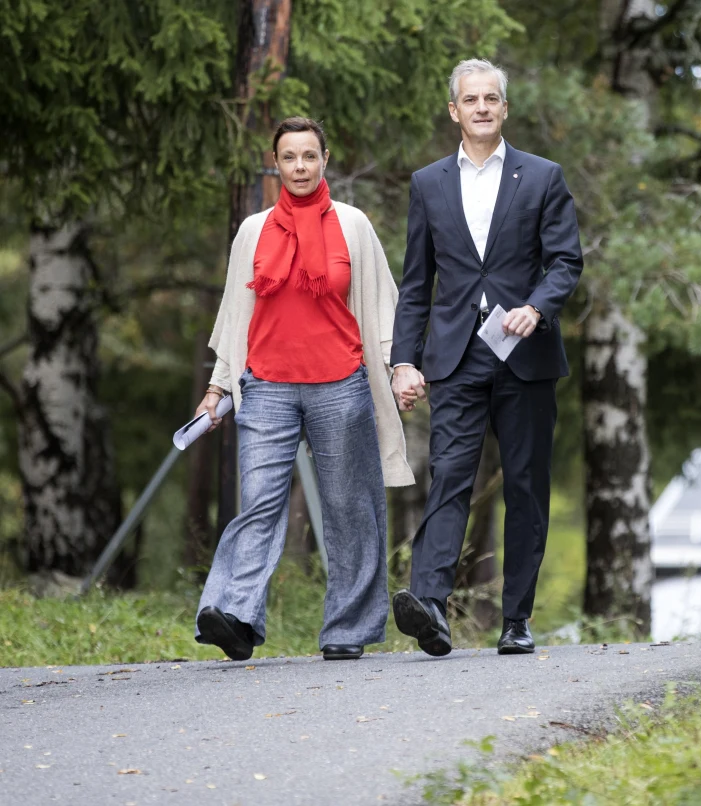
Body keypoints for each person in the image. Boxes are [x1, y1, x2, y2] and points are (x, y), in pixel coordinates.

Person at [194, 117, 414, 663]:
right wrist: (218, 387)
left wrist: (400, 368)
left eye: (309, 156)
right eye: (289, 157)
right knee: (259, 504)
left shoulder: (353, 225)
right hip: (265, 386)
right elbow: (234, 316)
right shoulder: (253, 231)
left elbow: (384, 309)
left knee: (350, 506)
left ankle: (349, 628)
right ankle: (236, 616)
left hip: (340, 383)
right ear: (276, 163)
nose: (299, 167)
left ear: (325, 159)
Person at [389, 59, 584, 657]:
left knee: (526, 485)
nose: (480, 107)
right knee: (449, 475)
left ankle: (517, 621)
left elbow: (566, 261)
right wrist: (403, 360)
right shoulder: (428, 184)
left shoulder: (543, 177)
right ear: (454, 110)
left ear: (504, 109)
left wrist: (538, 307)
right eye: (469, 99)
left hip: (524, 352)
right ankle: (429, 606)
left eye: (491, 99)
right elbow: (417, 282)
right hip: (456, 355)